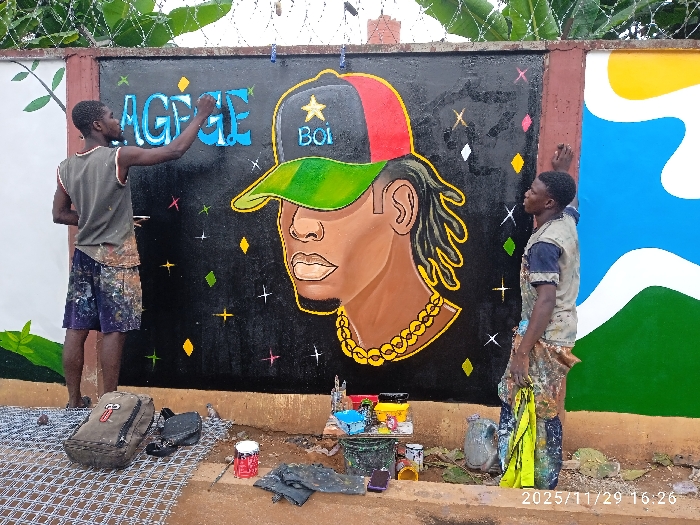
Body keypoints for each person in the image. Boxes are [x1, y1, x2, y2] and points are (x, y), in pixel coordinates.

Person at [231, 70, 467, 366]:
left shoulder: (468, 350)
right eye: (287, 198)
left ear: (401, 207)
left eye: (332, 197)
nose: (298, 226)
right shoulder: (295, 349)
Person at [53, 94, 216, 408]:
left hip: (84, 256)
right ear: (98, 125)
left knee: (76, 327)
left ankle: (73, 401)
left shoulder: (66, 167)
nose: (118, 122)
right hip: (116, 256)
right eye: (112, 117)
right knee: (114, 330)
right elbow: (174, 151)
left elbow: (60, 214)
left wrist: (99, 219)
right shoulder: (118, 156)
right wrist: (201, 115)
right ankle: (108, 404)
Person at [497, 144, 580, 489]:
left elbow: (545, 301)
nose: (526, 194)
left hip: (543, 338)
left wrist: (522, 352)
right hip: (558, 332)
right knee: (540, 403)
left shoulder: (544, 245)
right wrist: (561, 171)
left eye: (533, 191)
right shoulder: (564, 221)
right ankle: (535, 477)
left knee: (529, 404)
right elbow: (572, 205)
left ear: (548, 203)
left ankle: (537, 482)